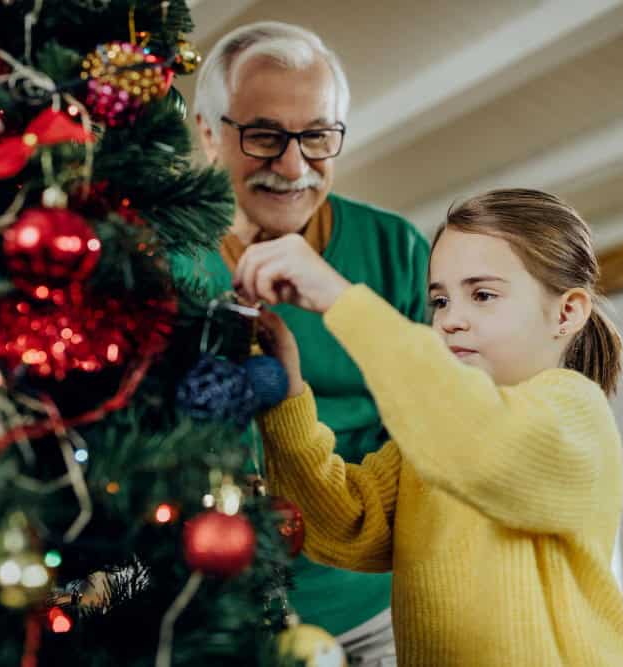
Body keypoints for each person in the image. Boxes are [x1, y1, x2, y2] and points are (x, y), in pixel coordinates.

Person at [237, 189, 623, 666]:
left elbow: (482, 445)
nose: (449, 321)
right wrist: (288, 394)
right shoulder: (429, 440)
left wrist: (345, 303)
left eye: (482, 295)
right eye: (440, 300)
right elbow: (343, 524)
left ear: (567, 312)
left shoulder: (575, 411)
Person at [182, 21, 430, 663]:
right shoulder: (161, 258)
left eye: (317, 135)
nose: (293, 166)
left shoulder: (396, 249)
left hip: (373, 610)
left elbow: (438, 420)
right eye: (264, 135)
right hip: (205, 616)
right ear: (209, 132)